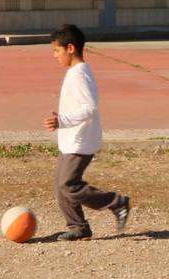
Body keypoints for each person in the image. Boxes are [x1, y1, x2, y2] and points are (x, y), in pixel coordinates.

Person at [42, 23, 130, 241]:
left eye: (57, 50)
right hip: (71, 140)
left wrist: (61, 120)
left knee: (68, 184)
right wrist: (61, 117)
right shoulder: (76, 72)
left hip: (81, 142)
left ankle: (116, 202)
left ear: (70, 48)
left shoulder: (79, 74)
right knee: (60, 185)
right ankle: (78, 227)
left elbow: (89, 107)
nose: (55, 56)